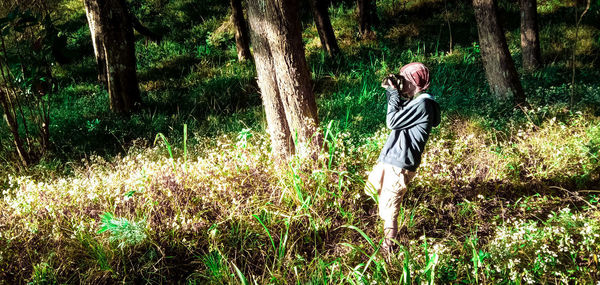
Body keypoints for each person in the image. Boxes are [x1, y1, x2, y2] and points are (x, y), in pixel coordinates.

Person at [365, 62, 441, 255]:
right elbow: (399, 113)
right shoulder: (416, 102)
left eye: (404, 80)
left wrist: (392, 94)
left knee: (390, 210)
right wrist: (394, 92)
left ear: (414, 82)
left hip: (399, 165)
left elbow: (392, 121)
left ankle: (387, 252)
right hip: (392, 161)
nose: (401, 84)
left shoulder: (423, 104)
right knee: (378, 195)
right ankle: (388, 241)